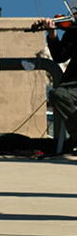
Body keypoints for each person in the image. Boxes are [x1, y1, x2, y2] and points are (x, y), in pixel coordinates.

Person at [34, 16, 77, 153]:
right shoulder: (74, 30)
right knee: (57, 95)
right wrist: (52, 36)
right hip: (74, 84)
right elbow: (60, 56)